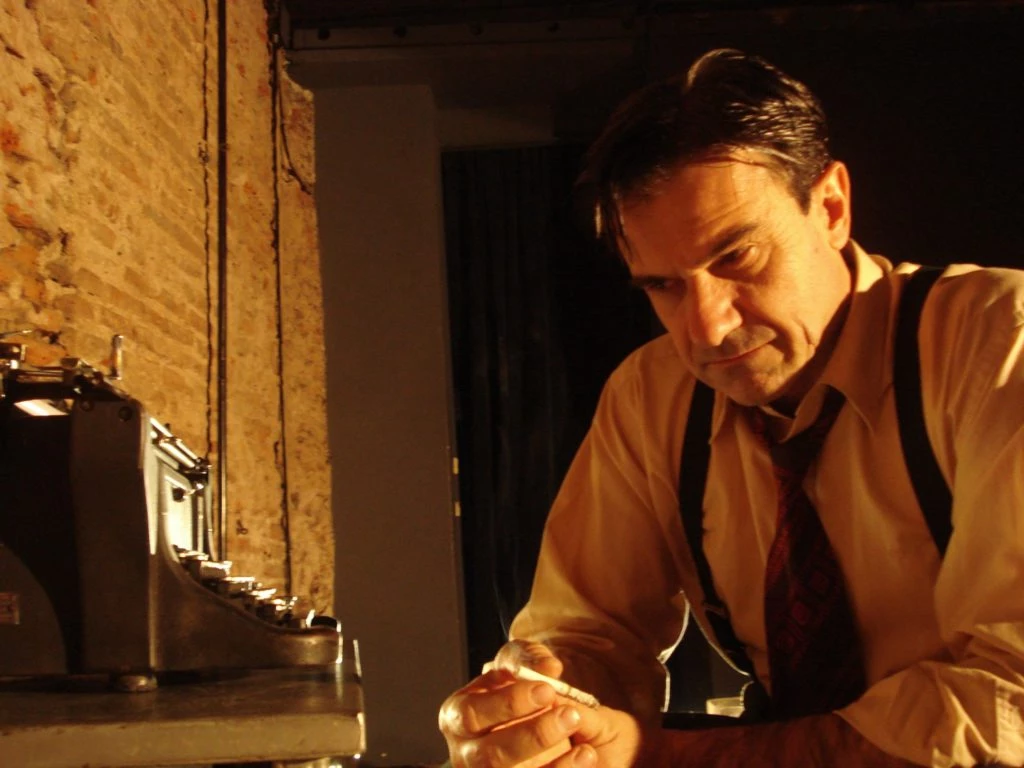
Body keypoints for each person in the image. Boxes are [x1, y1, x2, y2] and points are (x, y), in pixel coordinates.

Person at [438, 49, 1024, 767]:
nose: (707, 328)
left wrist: (660, 757)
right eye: (663, 286)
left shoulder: (1001, 345)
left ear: (831, 208)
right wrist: (542, 711)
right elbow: (589, 636)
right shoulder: (650, 397)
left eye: (737, 258)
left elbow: (1010, 703)